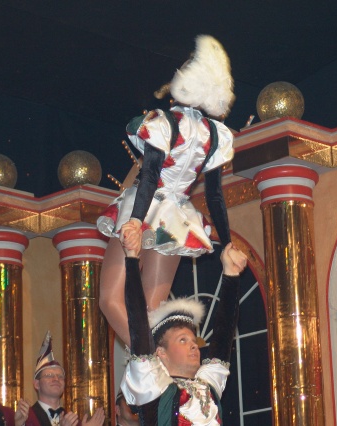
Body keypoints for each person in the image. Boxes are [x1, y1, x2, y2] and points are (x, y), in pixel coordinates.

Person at [97, 34, 236, 346]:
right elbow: (214, 195)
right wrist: (227, 242)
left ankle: (149, 360)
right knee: (151, 310)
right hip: (177, 217)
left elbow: (150, 176)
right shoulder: (216, 135)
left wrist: (135, 220)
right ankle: (157, 364)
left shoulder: (162, 123)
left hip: (144, 206)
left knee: (110, 299)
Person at [121, 241, 246, 425]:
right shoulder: (153, 387)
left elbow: (223, 337)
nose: (194, 345)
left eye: (193, 341)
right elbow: (138, 326)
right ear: (160, 352)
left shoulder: (207, 386)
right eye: (183, 340)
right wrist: (132, 260)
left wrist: (231, 274)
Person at [26, 331, 105, 426]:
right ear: (37, 384)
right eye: (49, 375)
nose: (56, 379)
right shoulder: (26, 418)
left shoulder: (76, 422)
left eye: (60, 376)